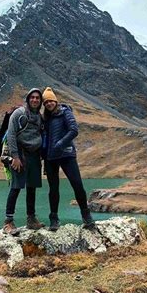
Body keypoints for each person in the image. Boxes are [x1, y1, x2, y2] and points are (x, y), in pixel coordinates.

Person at [42, 87, 94, 231]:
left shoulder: (65, 112)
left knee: (77, 184)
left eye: (51, 101)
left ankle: (86, 215)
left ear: (55, 101)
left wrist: (60, 144)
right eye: (46, 102)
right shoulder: (46, 118)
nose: (49, 104)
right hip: (51, 158)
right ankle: (54, 219)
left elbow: (74, 130)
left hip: (66, 154)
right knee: (53, 189)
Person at [3, 88, 45, 235]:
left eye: (37, 98)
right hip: (20, 155)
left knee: (32, 187)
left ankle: (31, 219)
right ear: (28, 99)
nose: (34, 100)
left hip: (34, 155)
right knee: (16, 187)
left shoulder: (39, 116)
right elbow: (12, 134)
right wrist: (15, 157)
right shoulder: (19, 113)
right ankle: (8, 222)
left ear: (40, 102)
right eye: (32, 97)